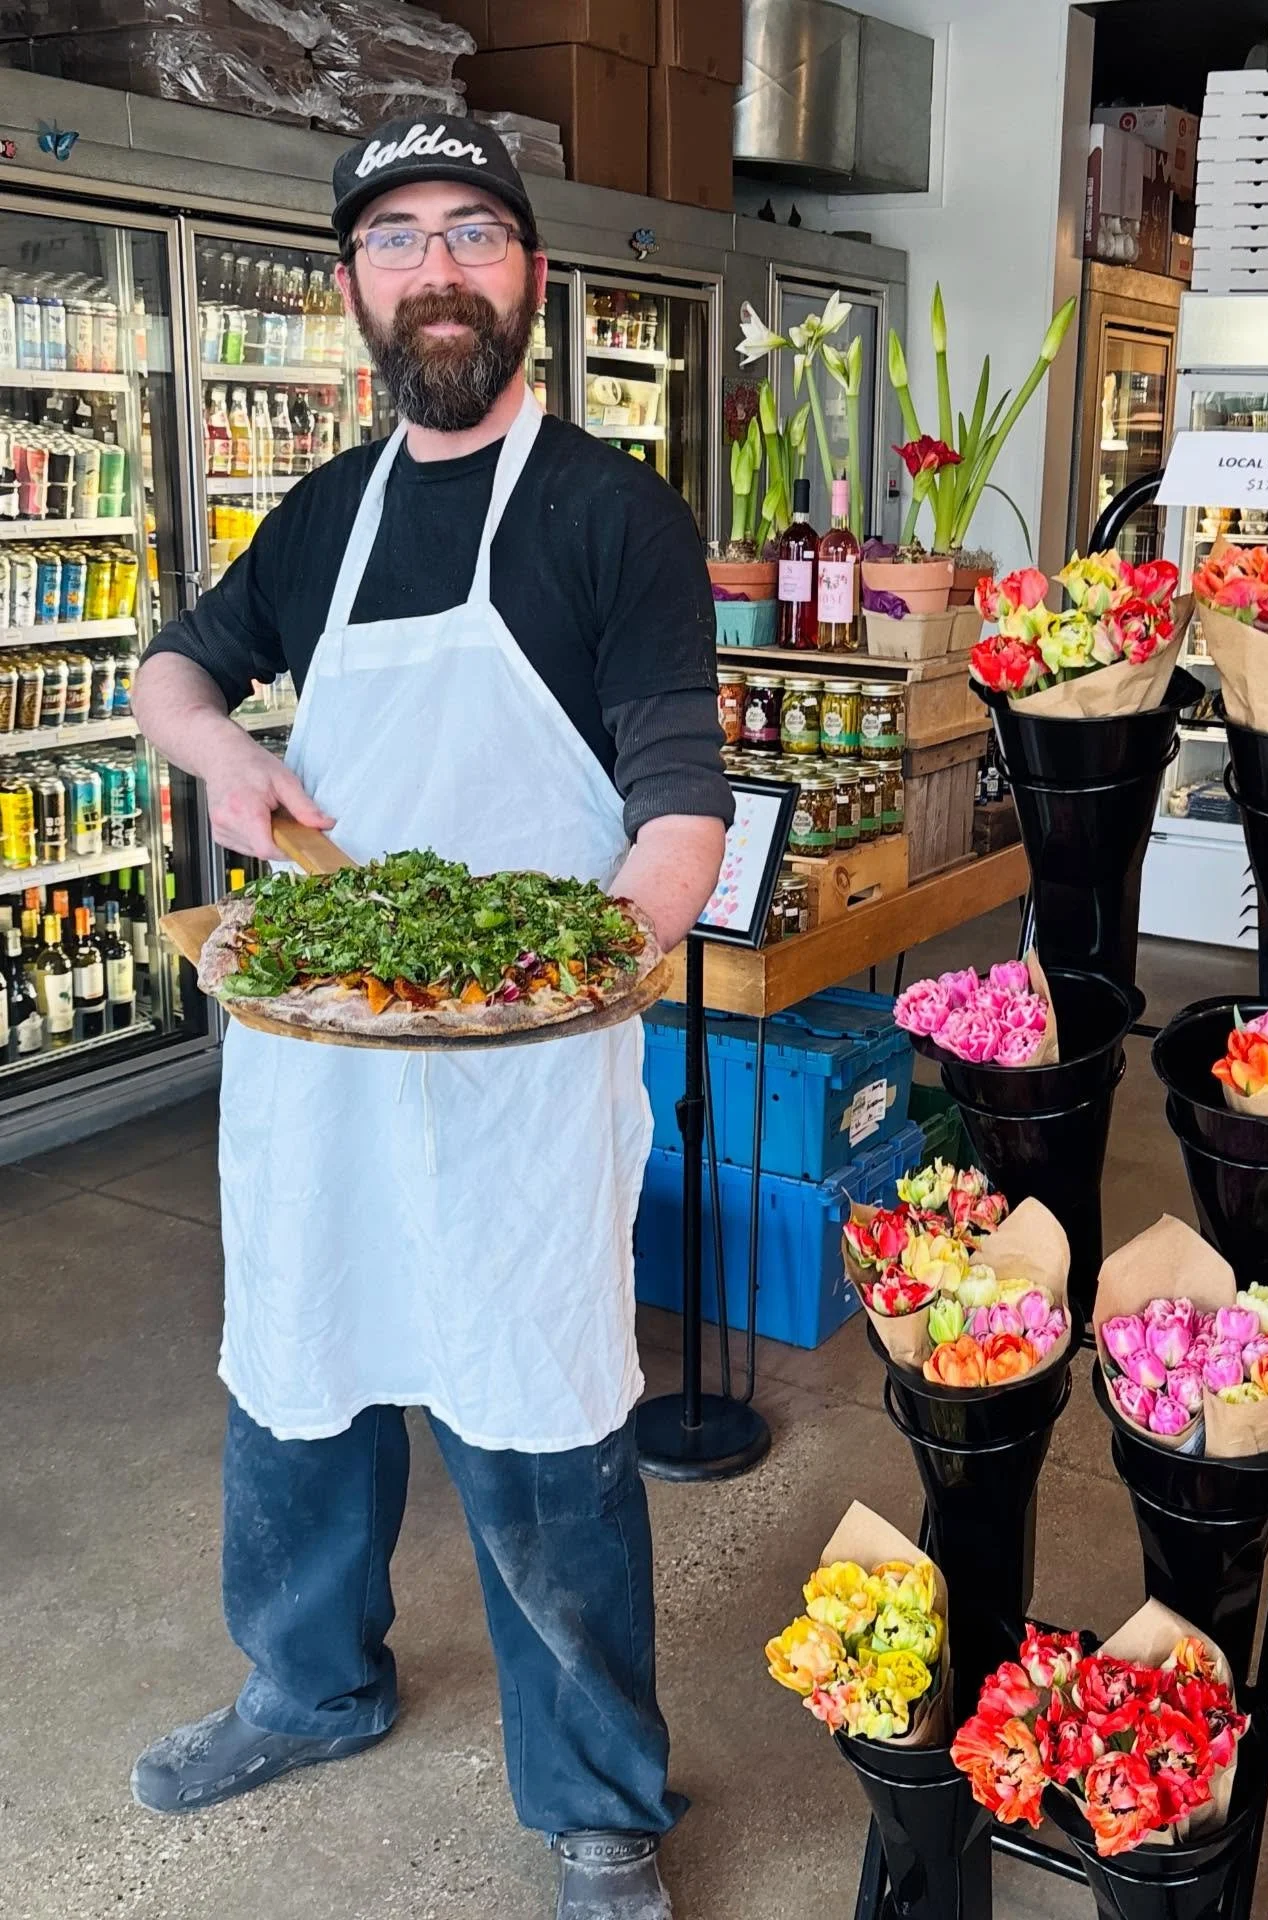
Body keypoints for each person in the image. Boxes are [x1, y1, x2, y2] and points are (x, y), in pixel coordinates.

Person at [130, 114, 731, 1920]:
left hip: (520, 1076)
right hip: (318, 1047)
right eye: (397, 240)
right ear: (354, 287)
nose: (438, 270)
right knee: (298, 1375)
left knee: (541, 1416)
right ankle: (308, 1686)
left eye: (473, 230)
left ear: (531, 271)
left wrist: (583, 961)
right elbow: (175, 669)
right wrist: (227, 758)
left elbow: (678, 806)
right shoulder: (325, 513)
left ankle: (599, 1799)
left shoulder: (613, 518)